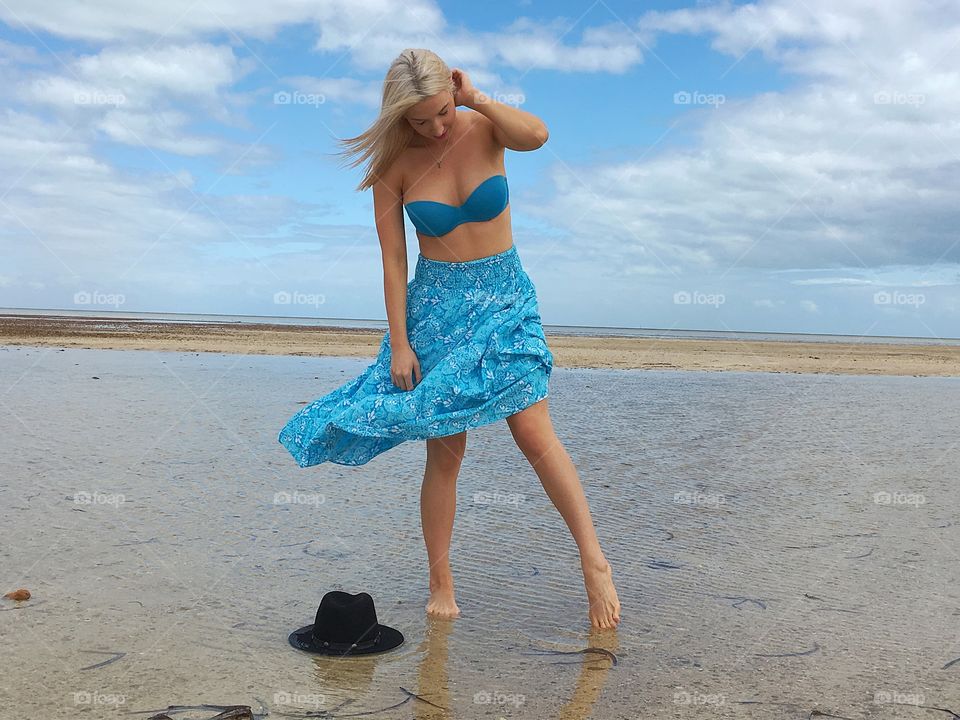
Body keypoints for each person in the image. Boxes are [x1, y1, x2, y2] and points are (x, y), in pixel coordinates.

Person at [278, 48, 621, 629]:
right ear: (397, 117)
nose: (435, 128)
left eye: (441, 112)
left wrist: (477, 98)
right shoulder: (395, 168)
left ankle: (594, 563)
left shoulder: (485, 127)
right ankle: (441, 579)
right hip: (437, 311)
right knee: (445, 450)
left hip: (506, 297)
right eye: (420, 121)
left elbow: (537, 135)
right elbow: (393, 263)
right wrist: (401, 341)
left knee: (534, 432)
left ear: (453, 95)